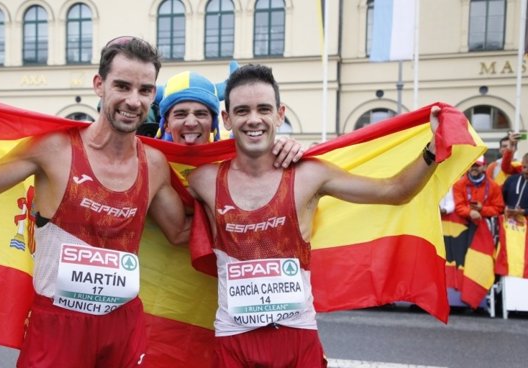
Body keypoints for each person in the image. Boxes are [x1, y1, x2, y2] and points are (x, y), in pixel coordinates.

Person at [0, 36, 189, 368]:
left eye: (145, 90)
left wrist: (261, 181)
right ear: (99, 85)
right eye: (122, 86)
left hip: (123, 324)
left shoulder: (155, 164)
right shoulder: (54, 149)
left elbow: (180, 233)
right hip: (58, 324)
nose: (134, 101)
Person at [187, 64, 442, 367]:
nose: (254, 119)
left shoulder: (309, 174)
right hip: (234, 341)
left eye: (263, 109)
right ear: (227, 119)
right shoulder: (202, 180)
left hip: (297, 341)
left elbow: (394, 190)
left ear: (280, 114)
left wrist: (433, 150)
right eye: (242, 111)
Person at [157, 70, 304, 168]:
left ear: (214, 123)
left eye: (201, 114)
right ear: (166, 124)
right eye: (180, 114)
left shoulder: (235, 149)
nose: (190, 123)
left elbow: (259, 144)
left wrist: (284, 147)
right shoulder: (149, 161)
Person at [453, 156, 505, 224]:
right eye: (472, 165)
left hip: (486, 224)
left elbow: (499, 209)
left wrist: (482, 209)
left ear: (485, 167)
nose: (474, 168)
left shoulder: (494, 186)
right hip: (464, 224)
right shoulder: (459, 184)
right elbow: (458, 206)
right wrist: (470, 212)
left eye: (477, 166)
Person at [502, 152, 528, 220]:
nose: (526, 171)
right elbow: (501, 199)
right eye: (524, 167)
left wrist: (524, 212)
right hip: (509, 222)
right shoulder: (511, 180)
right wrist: (504, 208)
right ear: (521, 164)